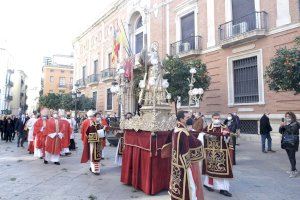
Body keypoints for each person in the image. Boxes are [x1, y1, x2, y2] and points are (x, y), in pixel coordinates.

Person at [168, 111, 204, 200]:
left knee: (177, 182)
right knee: (189, 184)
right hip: (183, 163)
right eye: (187, 118)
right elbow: (185, 149)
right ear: (181, 119)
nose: (189, 119)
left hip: (176, 161)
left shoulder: (176, 129)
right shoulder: (183, 132)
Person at [202, 112, 233, 197]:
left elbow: (229, 139)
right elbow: (202, 136)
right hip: (210, 154)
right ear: (212, 119)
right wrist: (209, 136)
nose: (217, 120)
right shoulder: (208, 128)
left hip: (221, 154)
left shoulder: (224, 127)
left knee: (221, 172)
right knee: (210, 171)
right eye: (215, 118)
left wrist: (226, 135)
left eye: (218, 118)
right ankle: (208, 184)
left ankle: (223, 189)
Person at [80, 110, 102, 175]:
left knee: (94, 155)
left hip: (97, 140)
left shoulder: (96, 121)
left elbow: (100, 130)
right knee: (92, 154)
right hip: (91, 140)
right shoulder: (86, 122)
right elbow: (83, 131)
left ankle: (94, 168)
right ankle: (93, 169)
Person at [279, 112, 300, 178]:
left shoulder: (296, 123)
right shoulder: (286, 123)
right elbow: (280, 131)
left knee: (292, 157)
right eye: (286, 116)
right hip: (286, 142)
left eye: (288, 116)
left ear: (292, 117)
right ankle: (294, 169)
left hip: (293, 142)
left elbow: (292, 132)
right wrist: (281, 126)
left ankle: (293, 171)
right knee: (290, 157)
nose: (287, 118)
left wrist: (285, 125)